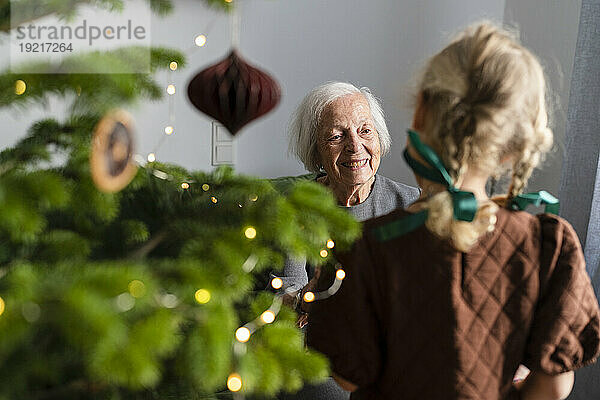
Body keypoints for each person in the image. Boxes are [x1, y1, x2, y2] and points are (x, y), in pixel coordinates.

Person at [306, 22, 600, 400]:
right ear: (513, 148)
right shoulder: (551, 244)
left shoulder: (367, 247)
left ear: (421, 115)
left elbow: (346, 377)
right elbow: (555, 385)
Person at [275, 82, 420, 400]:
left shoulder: (412, 205)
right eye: (336, 136)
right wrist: (306, 300)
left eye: (365, 131)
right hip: (326, 359)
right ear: (316, 151)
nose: (356, 147)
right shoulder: (297, 210)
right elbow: (287, 308)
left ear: (379, 139)